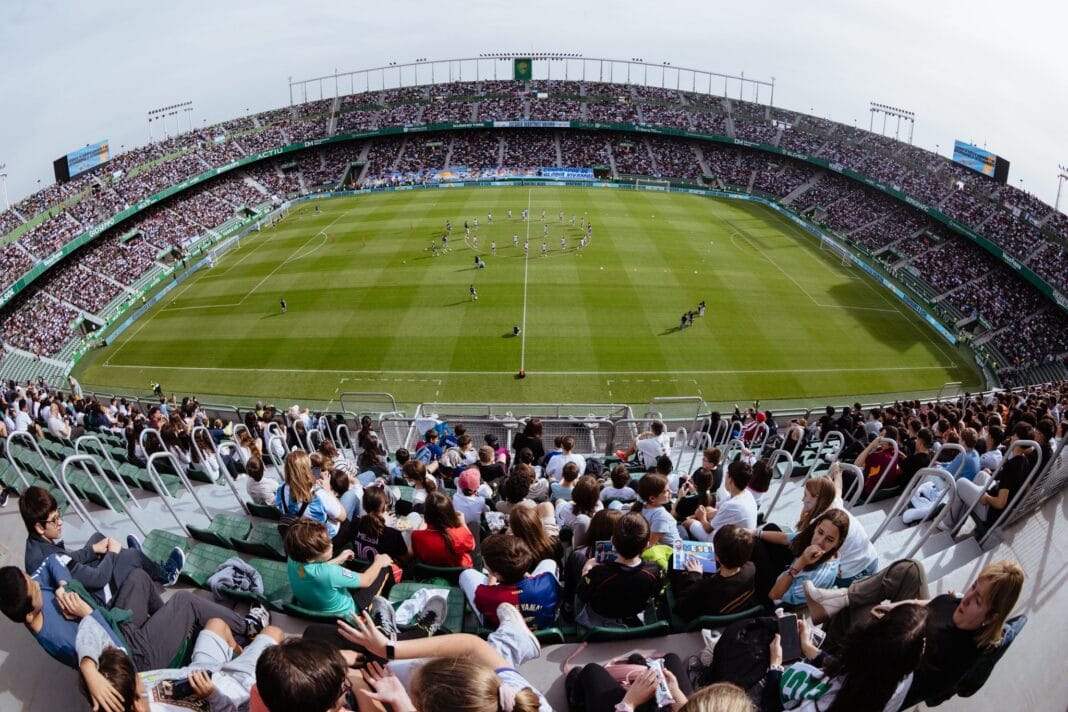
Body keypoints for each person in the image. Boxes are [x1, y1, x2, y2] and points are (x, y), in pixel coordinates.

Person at [805, 559, 1024, 707]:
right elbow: (930, 603)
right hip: (908, 629)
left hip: (884, 669)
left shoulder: (950, 657)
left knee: (851, 614)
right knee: (912, 569)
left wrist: (888, 625)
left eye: (978, 600)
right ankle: (836, 601)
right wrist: (895, 608)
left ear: (991, 616)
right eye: (974, 586)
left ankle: (826, 652)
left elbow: (884, 682)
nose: (966, 598)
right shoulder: (959, 606)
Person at [0, 555, 269, 671]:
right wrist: (87, 614)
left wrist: (61, 584)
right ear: (27, 612)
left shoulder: (26, 595)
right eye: (34, 588)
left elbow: (51, 562)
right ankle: (248, 626)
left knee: (138, 577)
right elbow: (118, 656)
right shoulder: (59, 640)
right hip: (133, 655)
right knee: (184, 601)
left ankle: (179, 630)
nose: (36, 583)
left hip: (116, 625)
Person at [76, 615, 286, 712]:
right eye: (136, 680)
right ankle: (245, 657)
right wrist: (212, 695)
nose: (139, 677)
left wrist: (88, 667)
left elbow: (91, 623)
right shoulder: (131, 688)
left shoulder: (121, 690)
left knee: (216, 623)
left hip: (201, 669)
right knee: (273, 633)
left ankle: (240, 652)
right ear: (134, 700)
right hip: (234, 688)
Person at [20, 486, 185, 600]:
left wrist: (93, 549)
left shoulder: (35, 545)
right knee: (131, 555)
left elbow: (67, 559)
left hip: (77, 587)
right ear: (39, 527)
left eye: (59, 515)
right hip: (97, 601)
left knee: (97, 538)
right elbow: (98, 579)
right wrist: (113, 553)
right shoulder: (51, 557)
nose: (61, 522)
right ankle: (165, 575)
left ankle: (136, 561)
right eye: (54, 520)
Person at [759, 603, 928, 712]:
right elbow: (844, 670)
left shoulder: (822, 706)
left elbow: (769, 706)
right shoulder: (898, 677)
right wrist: (808, 647)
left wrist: (775, 665)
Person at [284, 518, 392, 619]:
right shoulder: (331, 573)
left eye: (329, 539)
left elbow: (315, 571)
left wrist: (339, 559)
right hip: (348, 614)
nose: (331, 545)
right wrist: (379, 561)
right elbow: (366, 581)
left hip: (313, 607)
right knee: (383, 568)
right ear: (310, 559)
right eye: (325, 546)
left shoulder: (293, 558)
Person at [576, 512, 662, 628]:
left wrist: (585, 571)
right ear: (646, 546)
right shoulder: (653, 570)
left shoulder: (597, 572)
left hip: (600, 619)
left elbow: (582, 595)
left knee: (575, 558)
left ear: (612, 541)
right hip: (634, 615)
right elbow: (655, 592)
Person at [459, 534, 560, 630]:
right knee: (549, 562)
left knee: (466, 574)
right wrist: (523, 573)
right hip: (542, 626)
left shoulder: (484, 594)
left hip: (500, 631)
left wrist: (492, 582)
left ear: (497, 574)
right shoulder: (547, 582)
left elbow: (489, 592)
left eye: (485, 561)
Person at [671, 524, 757, 619]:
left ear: (716, 556)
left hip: (698, 617)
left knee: (673, 559)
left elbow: (680, 608)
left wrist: (694, 575)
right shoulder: (752, 568)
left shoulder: (704, 588)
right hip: (729, 610)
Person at [768, 509, 849, 606]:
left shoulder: (819, 576)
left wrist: (802, 561)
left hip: (777, 595)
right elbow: (786, 538)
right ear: (817, 526)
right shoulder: (809, 536)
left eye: (829, 540)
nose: (820, 541)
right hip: (784, 571)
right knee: (771, 528)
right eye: (820, 532)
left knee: (758, 548)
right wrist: (754, 533)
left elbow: (775, 595)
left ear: (838, 543)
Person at [275, 450, 347, 543]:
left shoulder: (281, 489)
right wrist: (328, 491)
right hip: (320, 541)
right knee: (351, 496)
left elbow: (280, 507)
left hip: (299, 535)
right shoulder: (320, 494)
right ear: (308, 469)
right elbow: (342, 517)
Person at [683, 460, 757, 542]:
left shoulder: (732, 505)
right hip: (738, 536)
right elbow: (718, 512)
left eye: (727, 474)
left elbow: (708, 529)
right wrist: (698, 515)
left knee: (687, 522)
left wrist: (701, 517)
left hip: (727, 543)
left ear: (730, 480)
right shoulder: (747, 494)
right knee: (707, 509)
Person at [411, 491, 475, 568]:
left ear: (427, 514)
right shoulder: (461, 533)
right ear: (450, 511)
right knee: (475, 525)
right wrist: (463, 523)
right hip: (459, 575)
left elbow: (414, 552)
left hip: (430, 575)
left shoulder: (417, 536)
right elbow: (472, 546)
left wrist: (423, 521)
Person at [631, 473, 678, 546]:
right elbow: (650, 544)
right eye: (666, 491)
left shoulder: (643, 507)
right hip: (672, 552)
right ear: (652, 498)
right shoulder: (661, 516)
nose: (671, 492)